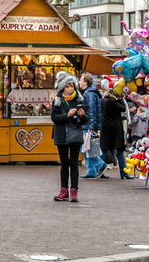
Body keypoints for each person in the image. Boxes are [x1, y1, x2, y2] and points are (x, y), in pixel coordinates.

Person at [51, 71, 86, 202]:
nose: (70, 88)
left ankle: (74, 191)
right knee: (64, 164)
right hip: (61, 135)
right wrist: (67, 115)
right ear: (62, 88)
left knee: (74, 164)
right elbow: (54, 118)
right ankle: (63, 190)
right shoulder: (57, 101)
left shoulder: (79, 99)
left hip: (75, 135)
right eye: (67, 86)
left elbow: (85, 119)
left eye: (72, 86)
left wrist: (82, 115)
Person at [100, 87, 131, 179]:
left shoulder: (104, 101)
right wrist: (121, 99)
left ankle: (99, 171)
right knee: (120, 150)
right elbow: (123, 108)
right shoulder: (112, 102)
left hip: (106, 129)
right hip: (115, 129)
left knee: (106, 150)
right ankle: (124, 173)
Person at [79, 73, 105, 179]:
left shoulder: (88, 94)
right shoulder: (91, 93)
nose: (79, 82)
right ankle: (92, 170)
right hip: (89, 125)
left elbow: (91, 111)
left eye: (81, 80)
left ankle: (100, 164)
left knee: (86, 148)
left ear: (85, 82)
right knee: (88, 148)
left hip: (87, 125)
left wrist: (91, 126)